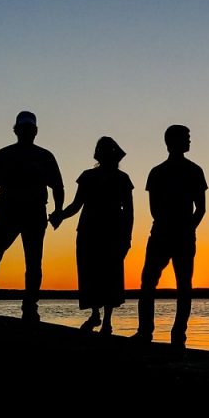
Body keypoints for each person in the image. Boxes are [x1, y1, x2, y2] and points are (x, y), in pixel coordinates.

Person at [0, 111, 64, 322]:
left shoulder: (42, 156)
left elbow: (58, 185)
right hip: (9, 213)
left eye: (29, 129)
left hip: (32, 215)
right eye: (24, 129)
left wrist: (59, 210)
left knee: (30, 262)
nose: (27, 132)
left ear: (33, 131)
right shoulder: (6, 155)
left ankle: (28, 307)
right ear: (18, 130)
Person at [132, 124, 207, 350]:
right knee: (149, 281)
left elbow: (201, 209)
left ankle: (178, 334)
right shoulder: (158, 172)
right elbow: (154, 209)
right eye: (186, 137)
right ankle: (146, 331)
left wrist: (188, 228)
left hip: (179, 233)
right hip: (163, 233)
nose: (189, 141)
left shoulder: (194, 170)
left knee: (182, 284)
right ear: (172, 141)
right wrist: (181, 227)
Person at [49, 137, 134, 336]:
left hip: (111, 233)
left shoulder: (122, 179)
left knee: (109, 275)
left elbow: (129, 212)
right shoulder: (89, 177)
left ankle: (106, 321)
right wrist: (60, 214)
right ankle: (98, 315)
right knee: (92, 274)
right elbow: (76, 205)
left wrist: (127, 238)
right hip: (90, 232)